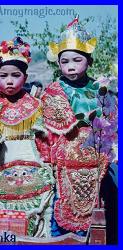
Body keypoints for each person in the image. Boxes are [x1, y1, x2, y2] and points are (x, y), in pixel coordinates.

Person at [0, 36, 55, 238]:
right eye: (3, 75)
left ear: (25, 76)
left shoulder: (36, 104)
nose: (10, 80)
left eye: (16, 75)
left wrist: (48, 163)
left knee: (41, 200)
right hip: (1, 164)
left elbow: (44, 138)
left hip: (34, 163)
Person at [41, 17, 113, 241]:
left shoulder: (98, 90)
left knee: (97, 207)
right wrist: (48, 159)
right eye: (65, 61)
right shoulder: (53, 91)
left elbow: (110, 124)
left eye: (77, 60)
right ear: (58, 63)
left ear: (89, 61)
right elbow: (45, 133)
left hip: (94, 161)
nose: (70, 66)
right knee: (61, 205)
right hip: (64, 162)